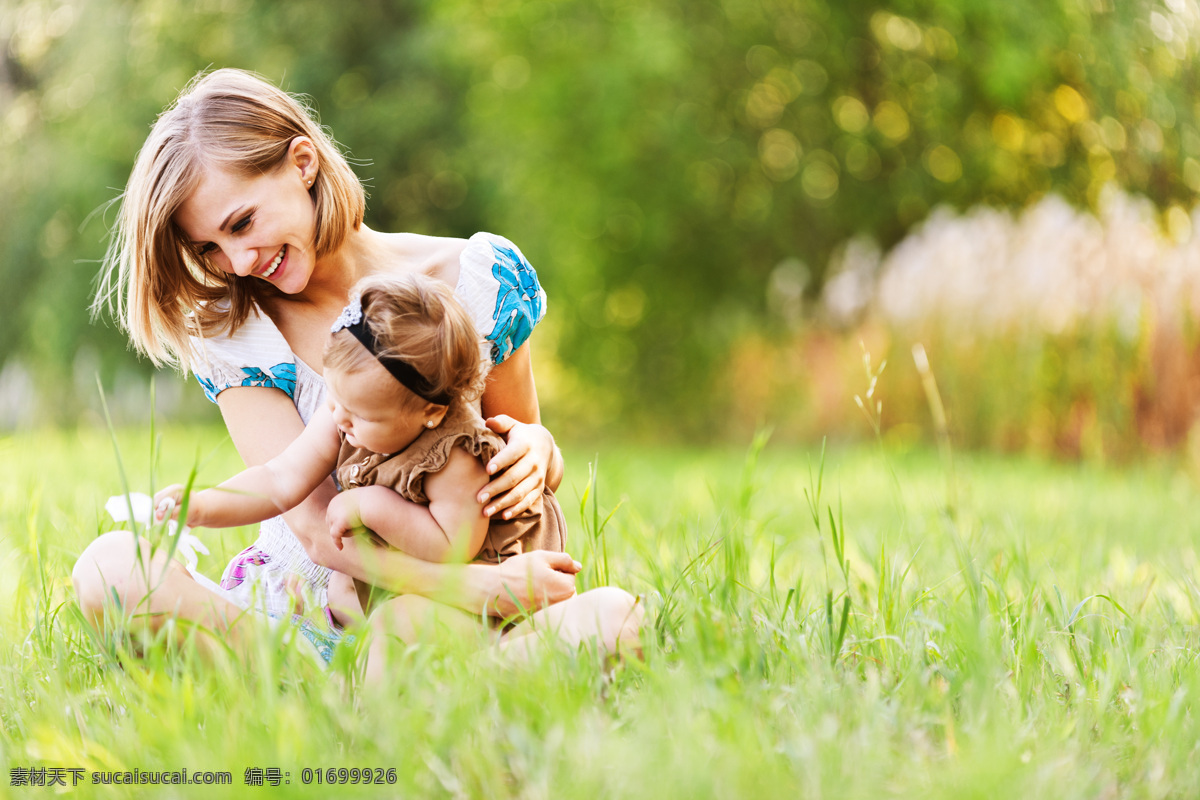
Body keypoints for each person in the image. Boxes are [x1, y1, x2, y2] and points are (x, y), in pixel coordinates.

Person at [72, 67, 641, 667]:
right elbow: (318, 528)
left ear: (303, 163)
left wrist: (536, 449)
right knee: (111, 570)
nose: (237, 261)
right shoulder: (238, 331)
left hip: (462, 617)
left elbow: (515, 450)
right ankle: (369, 690)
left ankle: (407, 693)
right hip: (308, 621)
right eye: (209, 248)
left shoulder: (479, 277)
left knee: (617, 619)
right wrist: (470, 585)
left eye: (242, 223)